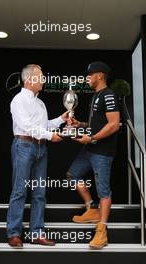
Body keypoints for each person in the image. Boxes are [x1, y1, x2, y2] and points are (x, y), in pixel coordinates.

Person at [7, 64, 69, 248]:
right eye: (40, 76)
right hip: (24, 146)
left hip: (41, 149)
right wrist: (51, 136)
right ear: (29, 79)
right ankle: (14, 233)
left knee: (39, 193)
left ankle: (37, 233)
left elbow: (44, 125)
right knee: (19, 191)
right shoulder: (19, 100)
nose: (43, 79)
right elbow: (27, 126)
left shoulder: (40, 102)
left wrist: (61, 119)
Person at [67, 61, 120, 249]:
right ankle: (92, 208)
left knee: (104, 191)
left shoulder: (109, 95)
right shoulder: (95, 96)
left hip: (102, 152)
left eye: (90, 75)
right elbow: (96, 124)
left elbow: (114, 124)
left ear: (100, 76)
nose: (87, 78)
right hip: (90, 149)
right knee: (73, 175)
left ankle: (102, 231)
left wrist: (92, 139)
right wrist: (79, 125)